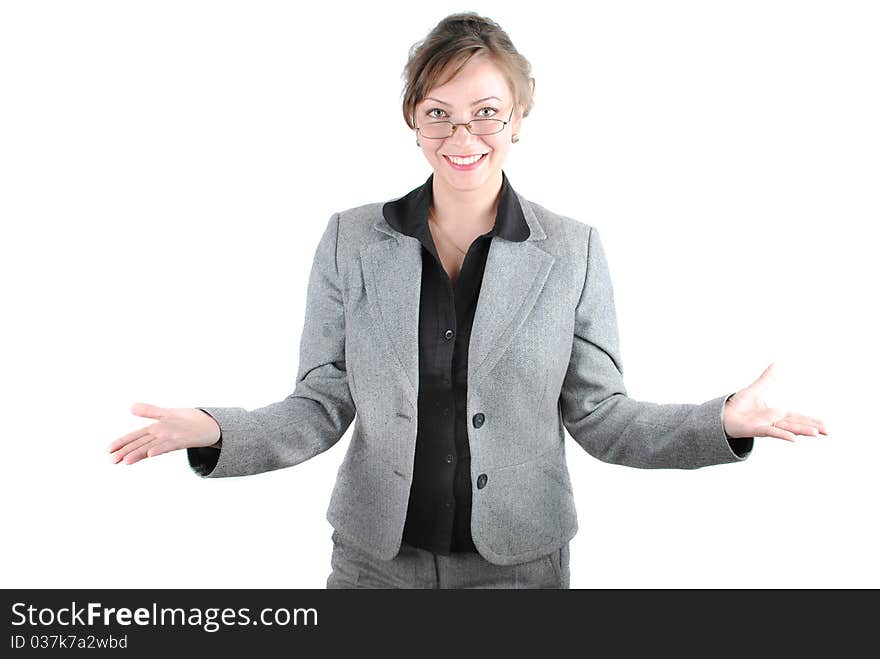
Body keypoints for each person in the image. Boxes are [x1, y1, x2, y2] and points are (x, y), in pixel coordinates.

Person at [107, 12, 828, 589]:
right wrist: (215, 429)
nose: (462, 135)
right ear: (412, 122)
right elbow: (320, 403)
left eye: (486, 111)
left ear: (518, 118)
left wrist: (722, 421)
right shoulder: (349, 240)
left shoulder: (572, 251)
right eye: (437, 113)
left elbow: (602, 418)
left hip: (519, 570)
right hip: (372, 566)